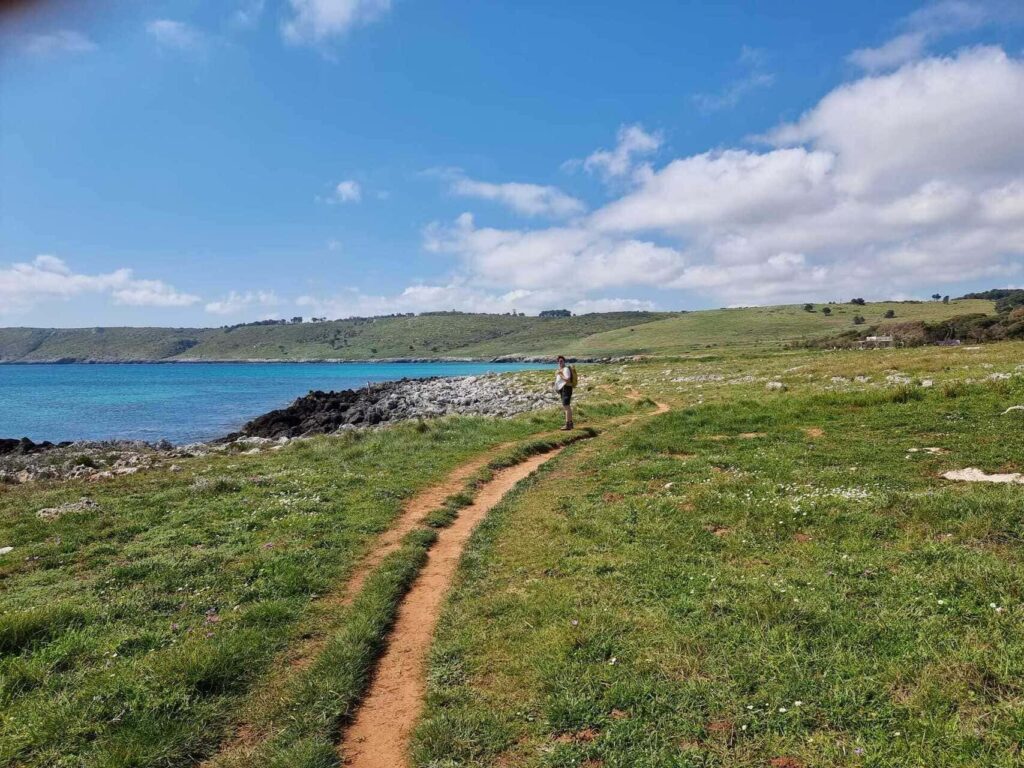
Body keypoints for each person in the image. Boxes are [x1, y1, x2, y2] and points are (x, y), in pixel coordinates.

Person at [554, 355, 575, 430]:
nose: (560, 362)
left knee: (566, 406)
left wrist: (560, 374)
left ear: (564, 361)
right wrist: (556, 388)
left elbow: (567, 379)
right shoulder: (561, 369)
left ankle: (568, 425)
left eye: (561, 361)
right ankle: (570, 424)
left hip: (566, 389)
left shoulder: (565, 369)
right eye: (558, 361)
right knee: (567, 406)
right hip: (563, 389)